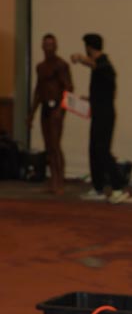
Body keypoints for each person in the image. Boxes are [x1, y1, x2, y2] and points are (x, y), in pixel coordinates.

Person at [71, 34, 128, 202]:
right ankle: (98, 188)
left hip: (105, 115)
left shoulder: (104, 64)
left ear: (89, 47)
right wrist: (89, 99)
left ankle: (118, 188)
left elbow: (97, 66)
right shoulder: (99, 68)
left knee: (102, 151)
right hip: (98, 113)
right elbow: (107, 92)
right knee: (94, 150)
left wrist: (80, 58)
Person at [28, 33, 73, 194]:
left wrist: (61, 110)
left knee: (55, 145)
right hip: (45, 108)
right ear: (42, 46)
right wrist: (31, 113)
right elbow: (38, 91)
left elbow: (68, 88)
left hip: (56, 109)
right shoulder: (40, 67)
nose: (48, 47)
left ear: (55, 46)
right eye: (46, 44)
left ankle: (59, 181)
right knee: (48, 147)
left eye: (51, 44)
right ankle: (53, 179)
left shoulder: (61, 65)